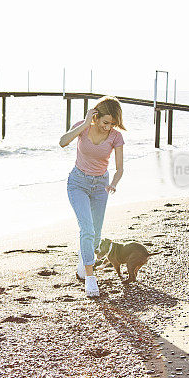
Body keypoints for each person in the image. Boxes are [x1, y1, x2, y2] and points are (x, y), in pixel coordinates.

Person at [59, 96, 124, 297]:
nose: (108, 127)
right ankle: (90, 278)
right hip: (77, 183)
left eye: (113, 123)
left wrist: (113, 183)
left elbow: (120, 168)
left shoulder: (116, 137)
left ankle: (83, 259)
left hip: (100, 187)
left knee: (95, 237)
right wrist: (86, 123)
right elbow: (62, 142)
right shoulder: (84, 127)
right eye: (105, 122)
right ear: (95, 116)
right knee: (86, 228)